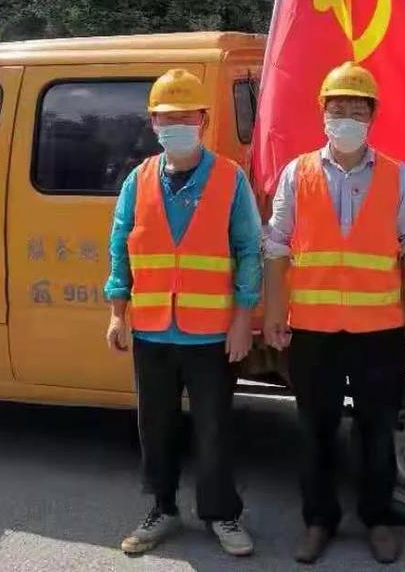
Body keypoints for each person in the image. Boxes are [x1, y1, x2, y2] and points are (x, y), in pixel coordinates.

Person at [263, 61, 405, 565]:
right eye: (338, 110)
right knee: (315, 430)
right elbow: (277, 244)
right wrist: (275, 311)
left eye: (358, 111)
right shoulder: (297, 173)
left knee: (377, 430)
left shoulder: (398, 176)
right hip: (312, 330)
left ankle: (378, 520)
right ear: (323, 114)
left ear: (372, 117)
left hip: (379, 330)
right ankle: (319, 521)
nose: (347, 120)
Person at [105, 68, 260, 559]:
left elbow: (249, 251)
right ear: (153, 122)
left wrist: (242, 320)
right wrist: (117, 312)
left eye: (185, 117)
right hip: (152, 332)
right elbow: (120, 246)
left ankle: (222, 513)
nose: (176, 126)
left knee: (214, 429)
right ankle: (162, 508)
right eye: (166, 118)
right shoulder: (139, 180)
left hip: (210, 335)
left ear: (204, 120)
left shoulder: (230, 179)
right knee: (156, 427)